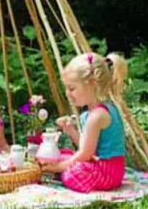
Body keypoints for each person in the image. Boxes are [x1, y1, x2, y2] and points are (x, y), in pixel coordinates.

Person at [43, 52, 127, 193]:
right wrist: (71, 131)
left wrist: (58, 167)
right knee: (65, 154)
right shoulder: (95, 112)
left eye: (72, 88)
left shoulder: (97, 116)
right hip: (105, 166)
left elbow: (85, 155)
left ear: (92, 84)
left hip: (108, 171)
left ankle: (67, 176)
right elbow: (87, 146)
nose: (67, 93)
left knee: (70, 173)